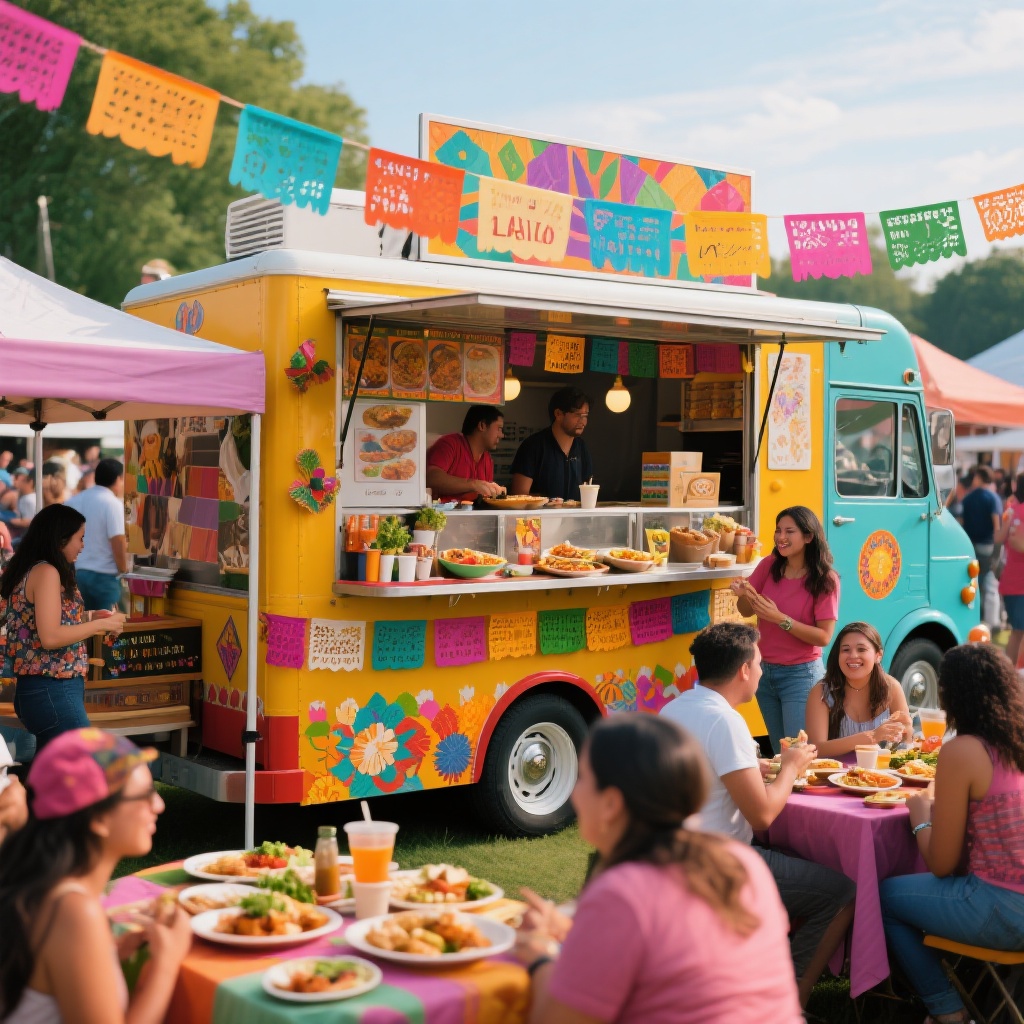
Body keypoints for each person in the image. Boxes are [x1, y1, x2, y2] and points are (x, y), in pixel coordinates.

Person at [514, 713, 803, 1023]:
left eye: (583, 778)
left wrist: (539, 956)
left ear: (611, 803)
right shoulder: (741, 862)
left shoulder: (622, 895)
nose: (574, 793)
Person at [661, 623, 855, 1006]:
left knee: (803, 863)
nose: (763, 672)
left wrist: (762, 768)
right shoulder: (725, 720)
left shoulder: (673, 708)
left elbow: (710, 773)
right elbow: (763, 815)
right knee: (842, 893)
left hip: (669, 856)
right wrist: (791, 767)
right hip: (717, 866)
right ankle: (788, 1003)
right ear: (744, 670)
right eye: (761, 664)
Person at [0, 728, 192, 1023]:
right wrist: (167, 963)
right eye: (144, 795)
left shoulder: (41, 889)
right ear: (98, 818)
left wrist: (109, 955)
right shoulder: (75, 913)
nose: (159, 805)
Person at [880, 643, 1024, 1024]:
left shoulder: (962, 751)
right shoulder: (1016, 743)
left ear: (950, 694)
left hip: (1005, 911)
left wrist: (921, 817)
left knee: (882, 895)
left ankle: (946, 1009)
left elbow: (942, 865)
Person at [0, 504, 125, 749]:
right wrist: (104, 625)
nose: (83, 545)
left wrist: (90, 617)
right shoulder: (47, 571)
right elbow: (51, 636)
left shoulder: (33, 568)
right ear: (60, 539)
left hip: (43, 690)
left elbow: (43, 620)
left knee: (55, 774)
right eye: (80, 538)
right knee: (79, 769)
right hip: (52, 689)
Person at [730, 505, 840, 753]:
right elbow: (746, 610)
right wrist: (745, 593)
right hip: (763, 672)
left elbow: (824, 636)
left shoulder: (825, 579)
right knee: (782, 754)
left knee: (799, 754)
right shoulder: (769, 565)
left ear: (809, 536)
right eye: (778, 530)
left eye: (789, 531)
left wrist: (781, 619)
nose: (781, 537)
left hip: (801, 675)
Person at [805, 621, 913, 757]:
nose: (853, 656)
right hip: (834, 775)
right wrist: (872, 736)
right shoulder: (822, 692)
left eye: (861, 649)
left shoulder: (892, 688)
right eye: (845, 650)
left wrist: (906, 730)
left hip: (881, 775)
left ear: (878, 656)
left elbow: (906, 743)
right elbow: (816, 749)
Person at [510, 387, 594, 504]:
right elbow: (518, 497)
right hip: (539, 520)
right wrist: (547, 502)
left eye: (585, 415)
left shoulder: (581, 448)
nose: (583, 421)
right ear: (558, 414)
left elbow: (589, 488)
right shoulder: (533, 446)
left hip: (574, 520)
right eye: (578, 415)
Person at [66, 458, 128, 612]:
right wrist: (124, 569)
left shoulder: (73, 501)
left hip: (76, 573)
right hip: (104, 577)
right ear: (118, 479)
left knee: (81, 626)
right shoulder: (112, 504)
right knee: (108, 629)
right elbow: (118, 540)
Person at [425, 406, 506, 503]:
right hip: (443, 516)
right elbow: (431, 478)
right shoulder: (450, 444)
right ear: (482, 426)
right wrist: (473, 484)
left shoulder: (487, 458)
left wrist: (494, 491)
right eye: (499, 429)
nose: (502, 435)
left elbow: (482, 497)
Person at [958, 465, 1002, 628]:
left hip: (969, 546)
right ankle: (992, 622)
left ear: (978, 478)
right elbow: (996, 525)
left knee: (971, 583)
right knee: (990, 584)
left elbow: (961, 522)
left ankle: (972, 619)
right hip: (987, 545)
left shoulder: (968, 498)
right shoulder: (993, 498)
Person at [995, 474, 1024, 668]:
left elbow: (999, 538)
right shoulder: (1017, 511)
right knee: (1019, 631)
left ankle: (1010, 674)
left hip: (1010, 582)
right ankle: (1015, 674)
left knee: (1017, 631)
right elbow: (1017, 543)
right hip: (1019, 583)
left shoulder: (1012, 510)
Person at [7, 468, 37, 540]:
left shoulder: (29, 499)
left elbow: (28, 522)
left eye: (23, 481)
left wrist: (10, 521)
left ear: (30, 482)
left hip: (25, 536)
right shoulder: (26, 497)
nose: (19, 483)